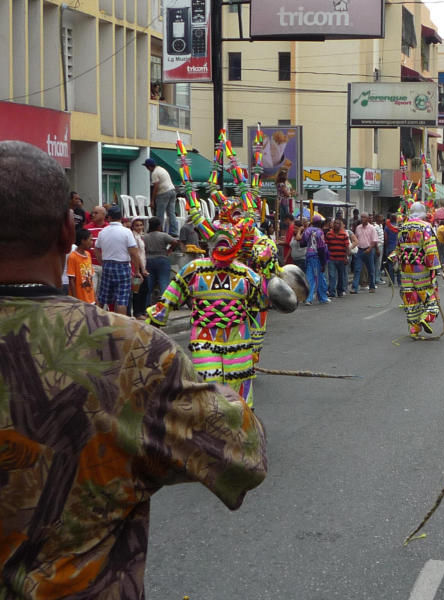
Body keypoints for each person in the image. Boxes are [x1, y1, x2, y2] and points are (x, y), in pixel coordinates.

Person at [0, 140, 267, 599]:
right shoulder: (128, 351)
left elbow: (256, 307)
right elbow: (244, 452)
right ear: (70, 231)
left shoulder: (235, 283)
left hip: (232, 346)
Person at [147, 223, 268, 407]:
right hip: (204, 334)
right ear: (210, 246)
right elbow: (173, 292)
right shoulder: (194, 268)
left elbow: (258, 306)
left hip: (237, 336)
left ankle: (242, 424)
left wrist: (257, 341)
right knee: (208, 378)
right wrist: (155, 320)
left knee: (238, 380)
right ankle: (211, 423)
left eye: (227, 243)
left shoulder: (248, 274)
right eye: (219, 243)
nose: (222, 247)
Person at [391, 202, 441, 338]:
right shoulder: (426, 227)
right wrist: (435, 268)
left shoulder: (403, 227)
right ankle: (427, 317)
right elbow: (430, 249)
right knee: (429, 296)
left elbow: (397, 249)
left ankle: (414, 329)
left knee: (410, 298)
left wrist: (392, 258)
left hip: (405, 270)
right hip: (421, 269)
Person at [95, 204, 140, 315]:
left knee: (102, 297)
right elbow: (134, 254)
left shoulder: (102, 232)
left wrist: (102, 262)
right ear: (121, 217)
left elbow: (96, 249)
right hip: (122, 266)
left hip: (106, 266)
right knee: (121, 300)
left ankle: (97, 322)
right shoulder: (126, 232)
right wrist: (137, 272)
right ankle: (121, 327)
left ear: (109, 217)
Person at [142, 216, 180, 303]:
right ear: (159, 226)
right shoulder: (163, 235)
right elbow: (175, 242)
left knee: (149, 284)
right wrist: (169, 250)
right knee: (163, 282)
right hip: (162, 259)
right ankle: (165, 304)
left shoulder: (145, 237)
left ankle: (146, 305)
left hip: (148, 260)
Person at [143, 157, 178, 236]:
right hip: (172, 190)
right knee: (171, 213)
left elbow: (156, 187)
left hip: (163, 192)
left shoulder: (154, 173)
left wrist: (152, 201)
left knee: (160, 214)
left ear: (149, 166)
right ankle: (174, 232)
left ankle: (158, 231)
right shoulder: (161, 169)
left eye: (147, 167)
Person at [301, 215, 330, 305]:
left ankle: (309, 298)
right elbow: (321, 248)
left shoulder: (307, 230)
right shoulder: (319, 232)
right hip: (317, 256)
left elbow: (302, 243)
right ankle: (320, 298)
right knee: (319, 278)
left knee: (310, 277)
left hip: (309, 256)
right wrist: (323, 262)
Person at [66, 227, 96, 304]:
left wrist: (94, 297)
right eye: (90, 240)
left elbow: (91, 278)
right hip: (80, 299)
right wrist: (76, 300)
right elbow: (71, 279)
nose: (92, 242)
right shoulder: (73, 257)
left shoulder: (88, 255)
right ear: (83, 241)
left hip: (90, 298)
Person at [352, 212, 378, 293]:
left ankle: (372, 286)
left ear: (367, 219)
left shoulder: (372, 228)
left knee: (371, 269)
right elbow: (355, 238)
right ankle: (355, 288)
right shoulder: (358, 228)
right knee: (357, 269)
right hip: (359, 250)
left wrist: (370, 249)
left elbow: (374, 241)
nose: (362, 219)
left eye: (364, 217)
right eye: (361, 217)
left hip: (368, 250)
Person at [130, 216, 150, 318]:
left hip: (141, 266)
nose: (139, 227)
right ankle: (137, 312)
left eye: (141, 225)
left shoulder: (140, 236)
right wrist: (142, 269)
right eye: (137, 225)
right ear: (132, 226)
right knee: (137, 290)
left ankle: (142, 311)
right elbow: (137, 254)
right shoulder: (133, 237)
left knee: (144, 289)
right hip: (136, 268)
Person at [325, 218, 350, 297]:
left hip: (341, 258)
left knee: (341, 275)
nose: (336, 225)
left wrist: (346, 257)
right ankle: (332, 292)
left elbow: (347, 247)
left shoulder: (344, 234)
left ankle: (340, 291)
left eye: (338, 223)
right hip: (331, 258)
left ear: (340, 225)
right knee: (332, 275)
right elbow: (326, 246)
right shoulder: (329, 234)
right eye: (335, 223)